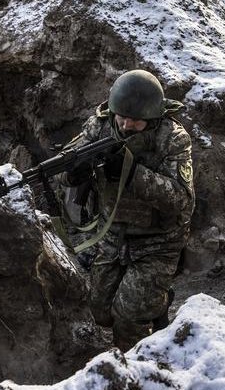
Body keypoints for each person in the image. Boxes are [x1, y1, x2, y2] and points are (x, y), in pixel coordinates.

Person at [61, 70, 194, 351]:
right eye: (121, 116)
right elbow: (69, 164)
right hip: (112, 234)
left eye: (135, 120)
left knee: (128, 318)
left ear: (152, 117)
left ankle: (133, 367)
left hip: (158, 242)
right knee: (100, 311)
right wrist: (74, 173)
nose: (126, 125)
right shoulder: (100, 126)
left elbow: (182, 199)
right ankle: (157, 303)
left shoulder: (173, 138)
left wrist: (131, 172)